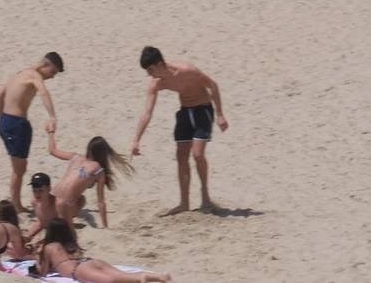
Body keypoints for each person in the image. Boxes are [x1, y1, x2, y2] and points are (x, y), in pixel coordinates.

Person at [131, 46, 228, 216]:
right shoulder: (157, 83)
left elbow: (212, 85)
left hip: (202, 111)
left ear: (160, 64)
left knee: (197, 154)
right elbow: (147, 112)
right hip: (184, 113)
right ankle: (184, 203)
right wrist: (136, 140)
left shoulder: (187, 70)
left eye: (150, 70)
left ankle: (205, 198)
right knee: (181, 157)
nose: (149, 74)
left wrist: (220, 114)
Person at [0, 53, 64, 214]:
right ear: (45, 65)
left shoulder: (20, 74)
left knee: (19, 167)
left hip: (6, 121)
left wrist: (1, 118)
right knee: (19, 170)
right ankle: (16, 205)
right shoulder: (34, 76)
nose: (52, 77)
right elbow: (43, 93)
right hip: (17, 124)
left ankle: (15, 202)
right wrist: (52, 116)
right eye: (52, 72)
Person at [37, 218, 172, 283]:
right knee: (120, 273)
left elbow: (42, 271)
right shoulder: (70, 243)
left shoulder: (49, 247)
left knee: (111, 280)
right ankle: (160, 276)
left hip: (77, 269)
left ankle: (142, 278)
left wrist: (38, 259)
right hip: (89, 261)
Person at [46, 129, 133, 229]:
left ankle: (64, 219)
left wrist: (50, 132)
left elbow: (52, 151)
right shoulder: (98, 171)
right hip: (65, 204)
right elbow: (101, 202)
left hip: (51, 198)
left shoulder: (75, 157)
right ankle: (67, 220)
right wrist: (105, 226)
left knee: (79, 200)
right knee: (81, 201)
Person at [25, 172, 56, 243]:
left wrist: (42, 242)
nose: (37, 194)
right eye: (34, 191)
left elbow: (64, 231)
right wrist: (29, 235)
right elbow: (42, 222)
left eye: (40, 191)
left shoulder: (57, 205)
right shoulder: (34, 202)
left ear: (49, 189)